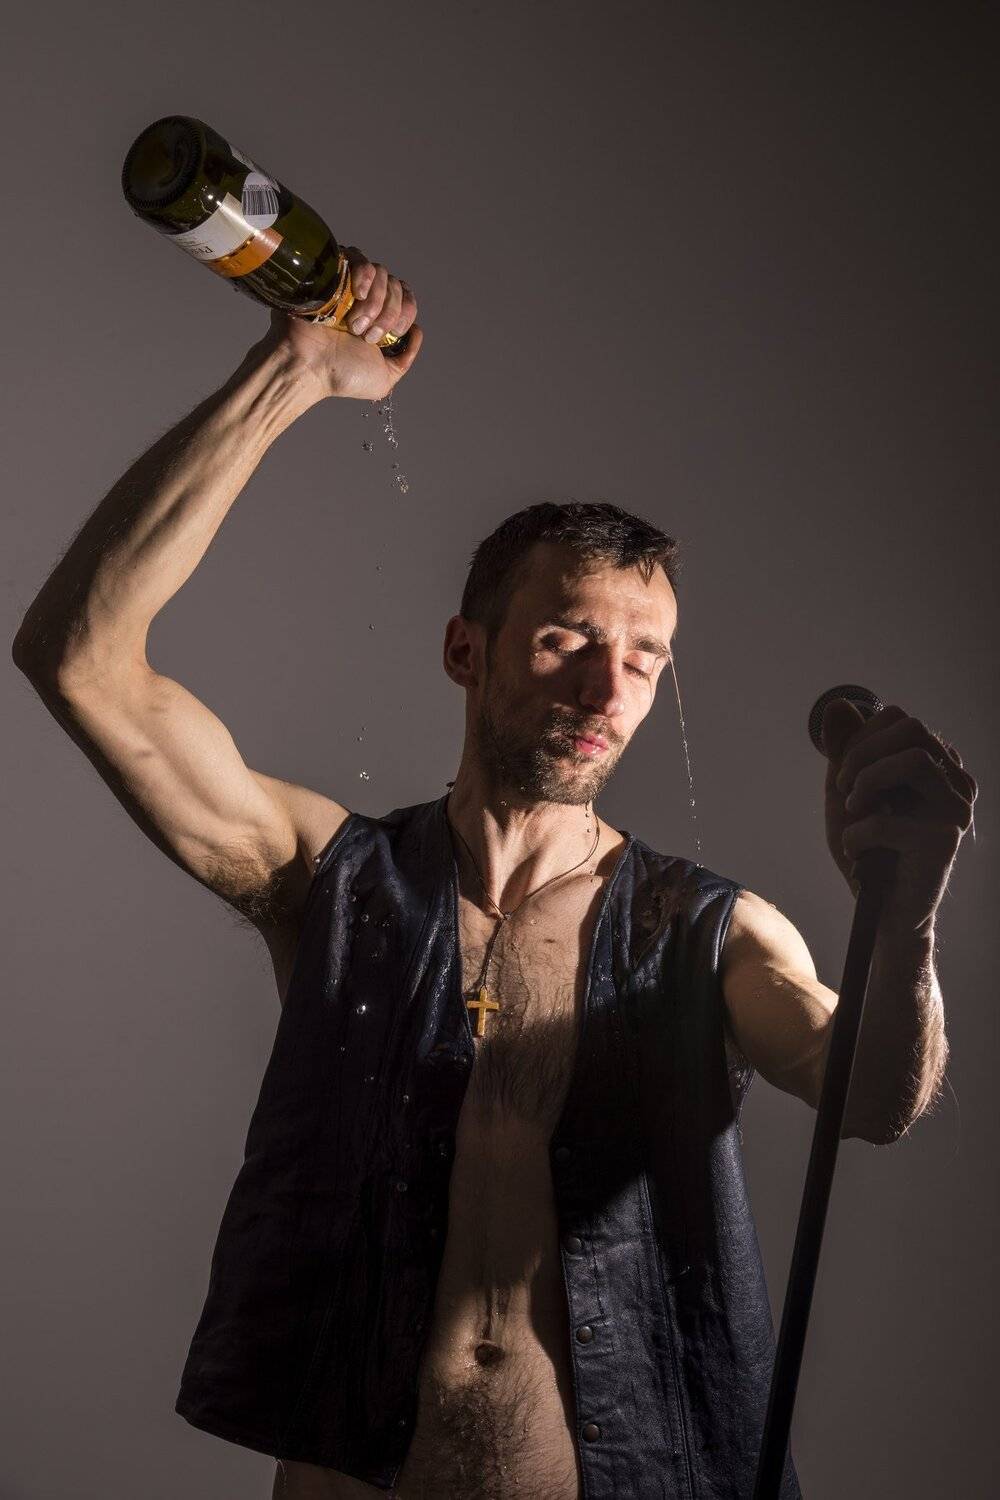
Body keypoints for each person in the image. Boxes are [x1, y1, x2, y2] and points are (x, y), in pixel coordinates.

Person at [13, 249, 976, 1500]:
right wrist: (291, 371)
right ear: (467, 651)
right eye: (568, 637)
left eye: (644, 658)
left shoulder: (703, 929)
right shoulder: (333, 880)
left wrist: (904, 920)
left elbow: (876, 1098)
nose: (606, 687)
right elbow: (78, 657)